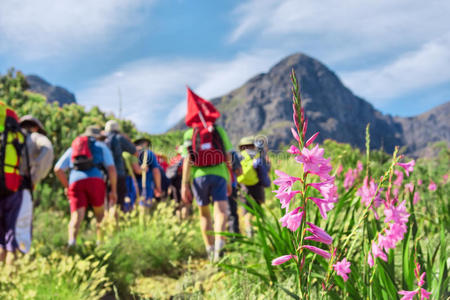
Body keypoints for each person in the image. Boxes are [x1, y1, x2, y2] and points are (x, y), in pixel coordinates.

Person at [181, 87, 233, 262]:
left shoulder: (190, 133)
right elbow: (227, 156)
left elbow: (188, 159)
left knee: (204, 214)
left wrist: (184, 184)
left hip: (198, 177)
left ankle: (210, 252)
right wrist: (229, 177)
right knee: (221, 211)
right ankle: (220, 244)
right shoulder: (218, 131)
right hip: (219, 174)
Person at [0, 109, 53, 265]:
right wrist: (35, 176)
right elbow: (48, 149)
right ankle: (13, 281)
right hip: (19, 191)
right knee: (15, 241)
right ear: (35, 127)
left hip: (1, 188)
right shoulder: (33, 137)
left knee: (1, 240)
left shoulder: (6, 138)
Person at [54, 125, 117, 246]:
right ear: (98, 136)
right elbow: (112, 169)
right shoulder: (101, 146)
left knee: (76, 216)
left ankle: (72, 244)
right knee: (100, 215)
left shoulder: (74, 147)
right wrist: (113, 190)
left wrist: (67, 186)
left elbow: (58, 169)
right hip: (95, 181)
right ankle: (101, 244)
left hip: (75, 182)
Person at [237, 136, 271, 237]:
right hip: (257, 186)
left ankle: (249, 232)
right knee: (259, 209)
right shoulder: (257, 156)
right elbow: (265, 171)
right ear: (253, 145)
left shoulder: (238, 157)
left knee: (247, 211)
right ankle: (264, 232)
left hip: (244, 186)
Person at [104, 120, 137, 211]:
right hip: (119, 173)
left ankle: (108, 220)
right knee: (119, 201)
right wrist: (127, 139)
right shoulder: (119, 138)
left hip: (105, 174)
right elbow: (134, 151)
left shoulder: (102, 138)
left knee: (107, 201)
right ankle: (118, 221)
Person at [134, 138, 162, 210]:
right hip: (146, 185)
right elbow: (156, 171)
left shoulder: (130, 153)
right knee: (145, 208)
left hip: (132, 185)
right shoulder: (148, 153)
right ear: (145, 144)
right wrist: (158, 187)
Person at [227, 150, 242, 234]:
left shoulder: (212, 151)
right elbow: (239, 171)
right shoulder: (232, 152)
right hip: (231, 185)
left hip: (215, 186)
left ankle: (222, 237)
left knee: (219, 211)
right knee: (232, 211)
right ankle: (234, 236)